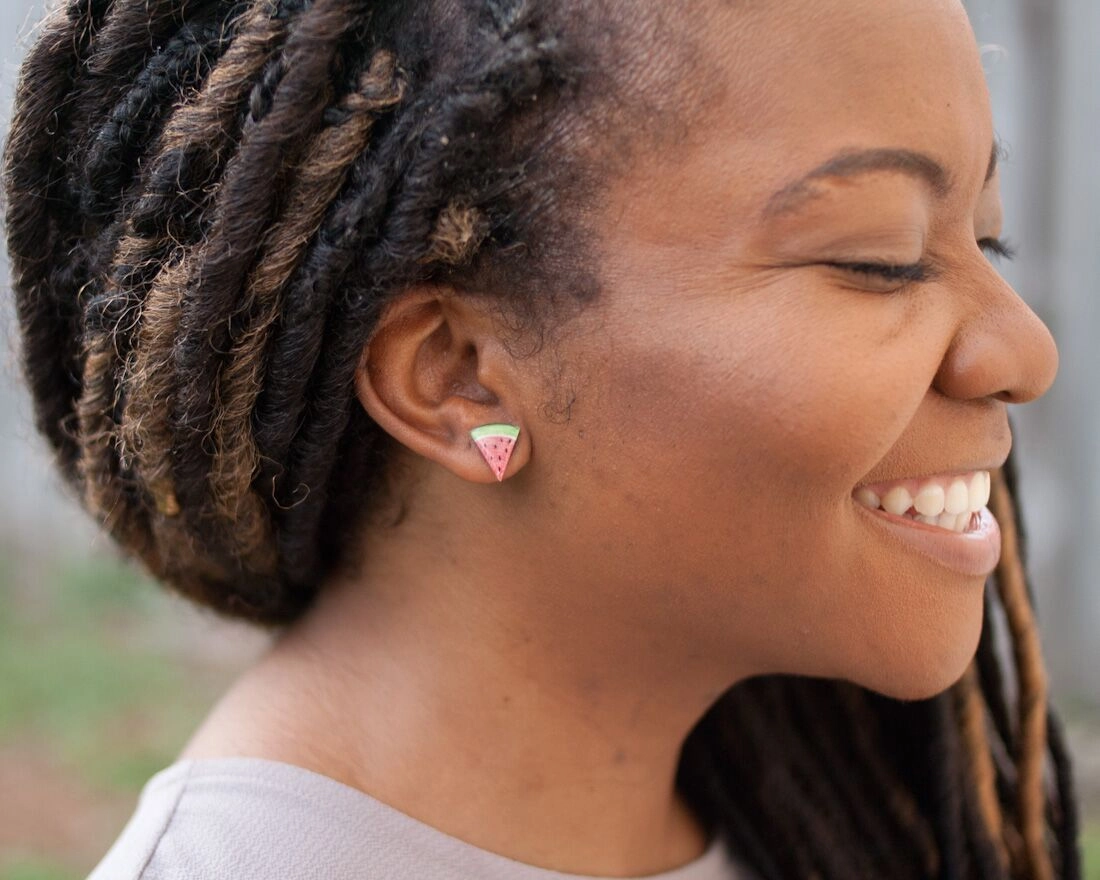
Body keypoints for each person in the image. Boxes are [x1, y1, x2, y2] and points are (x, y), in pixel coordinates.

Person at [1, 0, 1081, 876]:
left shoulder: (823, 803)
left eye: (988, 239)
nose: (1021, 351)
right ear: (459, 379)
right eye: (879, 257)